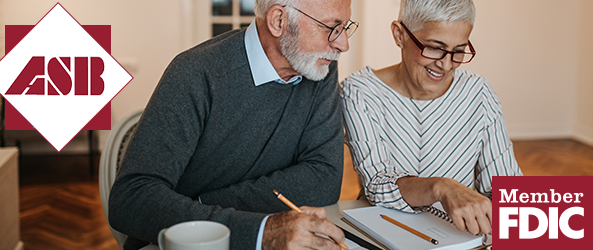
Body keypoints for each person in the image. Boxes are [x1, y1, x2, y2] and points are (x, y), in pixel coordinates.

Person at [108, 0, 358, 249]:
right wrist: (261, 232)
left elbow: (324, 180)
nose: (342, 44)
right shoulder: (195, 73)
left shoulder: (319, 67)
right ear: (278, 21)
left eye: (345, 26)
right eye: (330, 27)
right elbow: (131, 199)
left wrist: (199, 205)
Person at [341, 0, 522, 236]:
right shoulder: (359, 92)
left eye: (458, 51)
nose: (446, 65)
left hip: (459, 237)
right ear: (399, 35)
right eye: (435, 47)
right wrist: (442, 187)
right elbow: (377, 185)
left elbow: (507, 188)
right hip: (385, 233)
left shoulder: (478, 93)